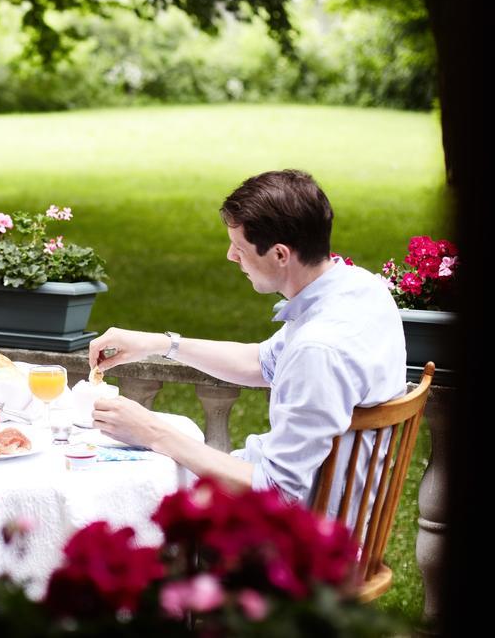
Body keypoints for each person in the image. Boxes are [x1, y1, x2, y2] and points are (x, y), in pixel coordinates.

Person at [89, 169, 406, 513]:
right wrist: (159, 344)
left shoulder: (318, 349)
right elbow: (261, 363)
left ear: (280, 255)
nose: (231, 256)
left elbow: (277, 490)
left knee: (118, 508)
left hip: (300, 543)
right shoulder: (360, 289)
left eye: (240, 247)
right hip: (327, 508)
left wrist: (152, 431)